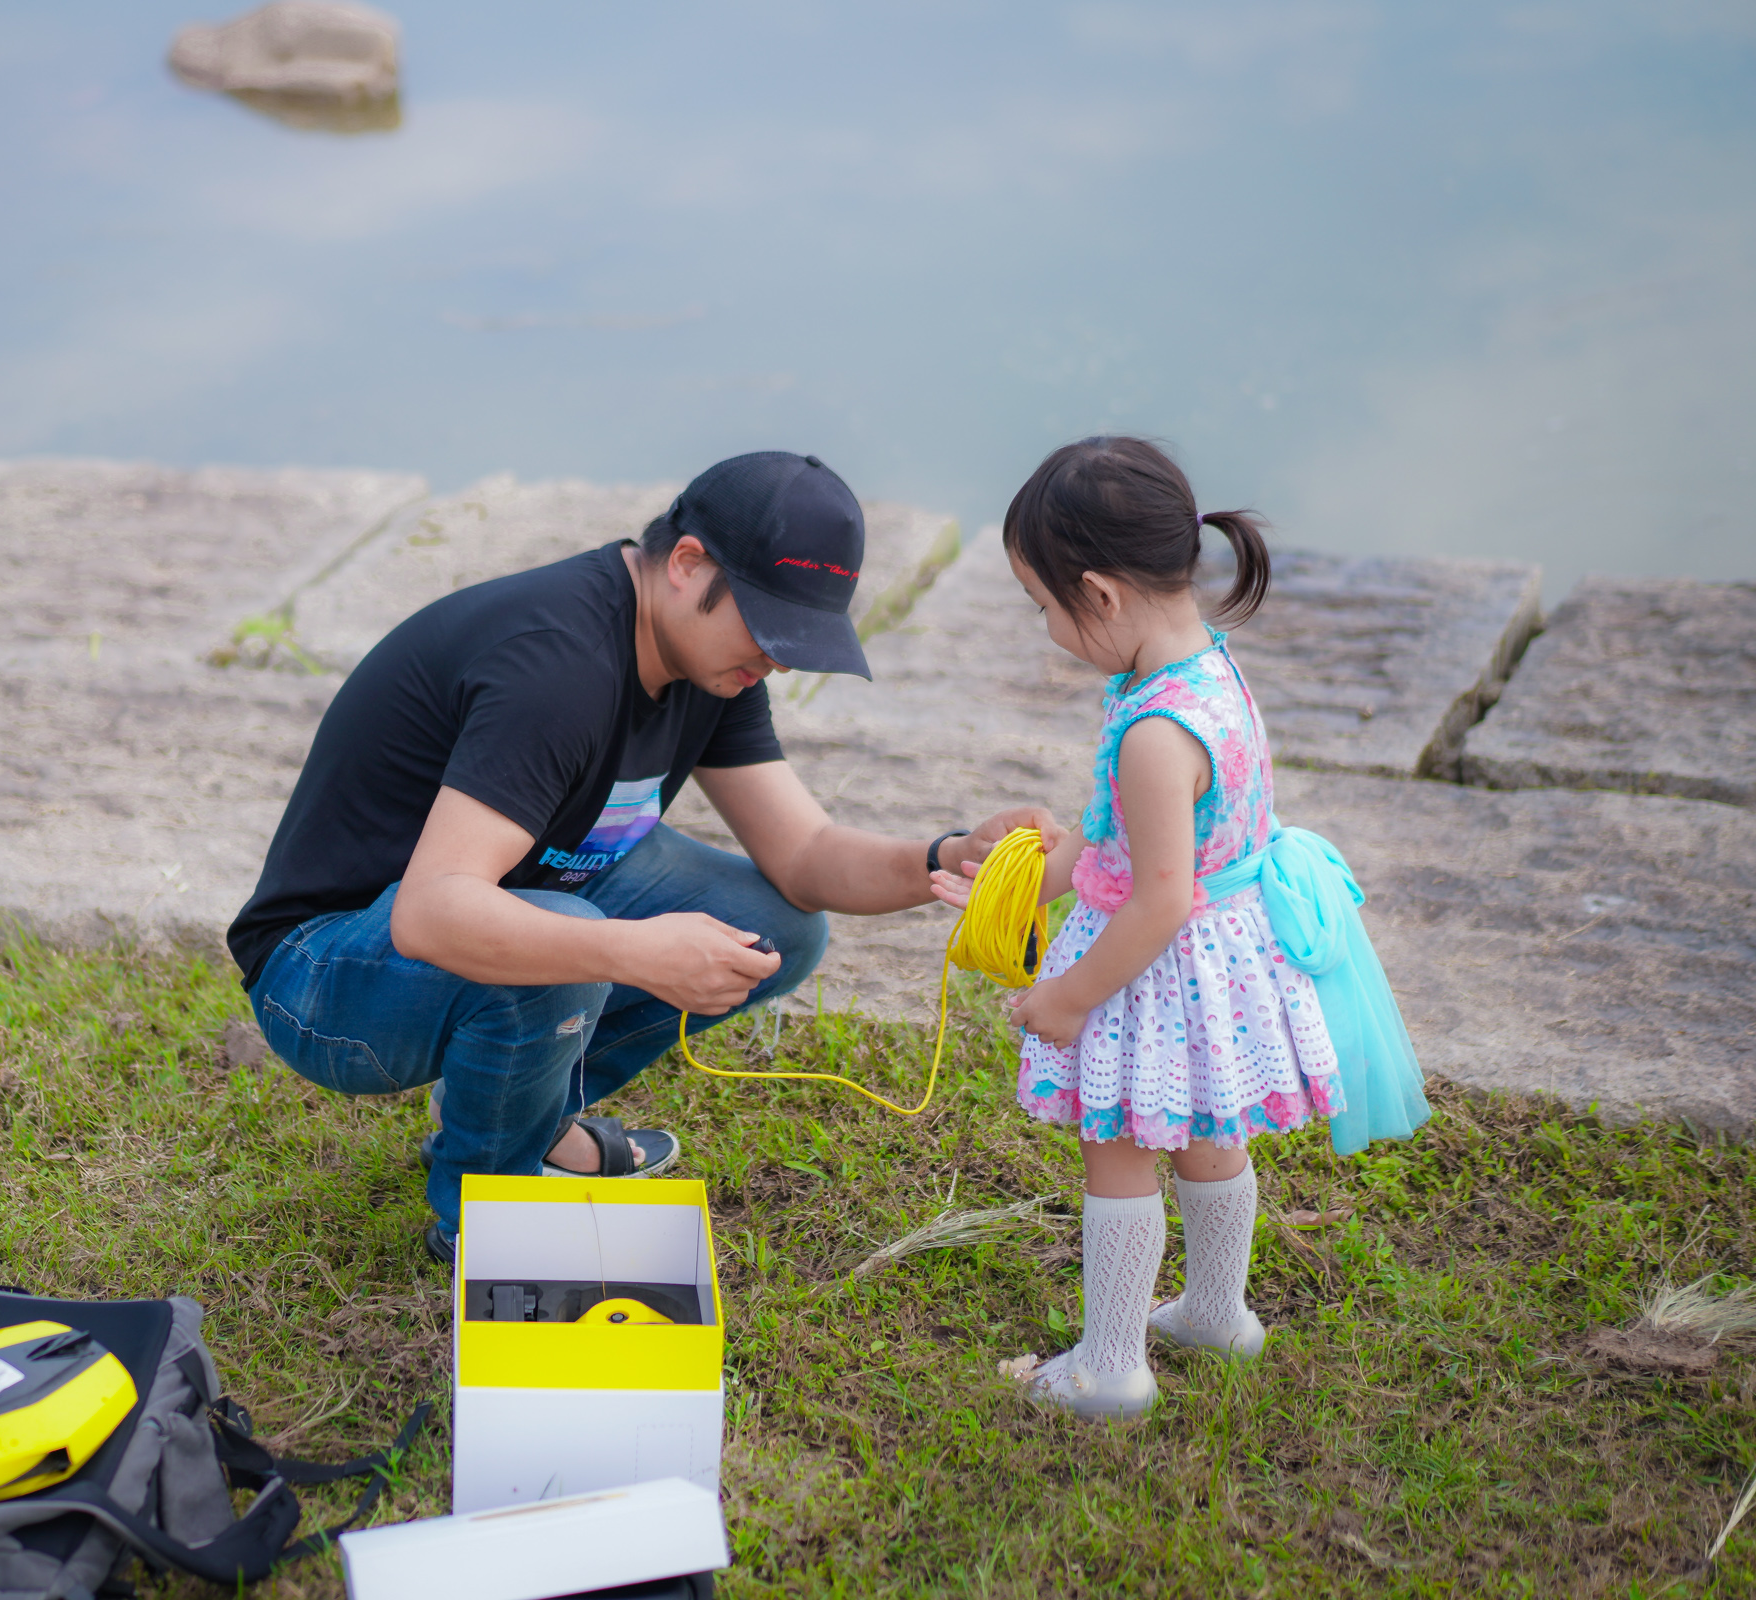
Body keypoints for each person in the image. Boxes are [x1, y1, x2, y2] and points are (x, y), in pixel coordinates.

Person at [229, 451, 1054, 1262]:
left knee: (777, 928)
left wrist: (949, 854)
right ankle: (489, 1212)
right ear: (688, 565)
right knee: (571, 951)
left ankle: (522, 1115)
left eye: (799, 637)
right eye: (769, 627)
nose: (778, 657)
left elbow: (805, 853)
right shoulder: (557, 667)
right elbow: (431, 912)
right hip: (325, 971)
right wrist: (632, 950)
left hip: (511, 894)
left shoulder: (711, 663)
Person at [932, 436, 1426, 1420]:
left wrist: (1069, 997)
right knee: (1210, 1138)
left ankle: (1111, 1368)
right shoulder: (1208, 674)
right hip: (1222, 969)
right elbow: (1121, 840)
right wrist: (1027, 881)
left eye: (1042, 605)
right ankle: (1216, 1311)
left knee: (1118, 1150)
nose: (1046, 627)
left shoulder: (1155, 734)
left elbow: (1157, 900)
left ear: (1100, 594)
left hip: (1151, 974)